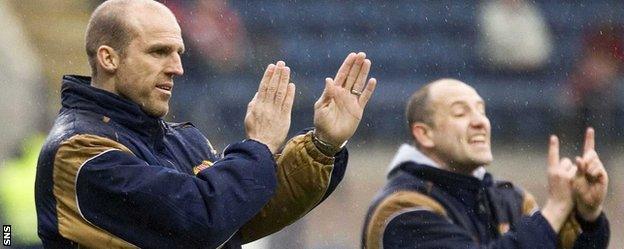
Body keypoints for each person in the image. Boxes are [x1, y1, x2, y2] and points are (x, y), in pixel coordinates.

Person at [35, 0, 377, 248]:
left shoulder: (181, 139)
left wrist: (322, 145)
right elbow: (199, 223)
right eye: (158, 52)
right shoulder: (81, 151)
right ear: (109, 58)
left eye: (179, 52)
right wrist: (258, 146)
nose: (177, 68)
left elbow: (242, 215)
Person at [362, 79, 609, 249]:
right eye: (460, 113)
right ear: (424, 134)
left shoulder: (512, 199)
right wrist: (556, 208)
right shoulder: (400, 209)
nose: (480, 122)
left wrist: (588, 217)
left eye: (481, 111)